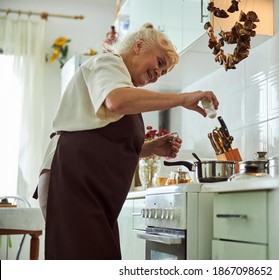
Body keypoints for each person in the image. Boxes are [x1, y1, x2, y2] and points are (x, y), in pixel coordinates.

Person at [35, 23, 219, 260]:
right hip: (72, 178)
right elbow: (116, 102)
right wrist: (182, 98)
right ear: (139, 46)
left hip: (91, 185)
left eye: (163, 73)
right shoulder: (108, 64)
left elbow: (104, 141)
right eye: (159, 63)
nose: (158, 74)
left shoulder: (124, 85)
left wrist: (149, 148)